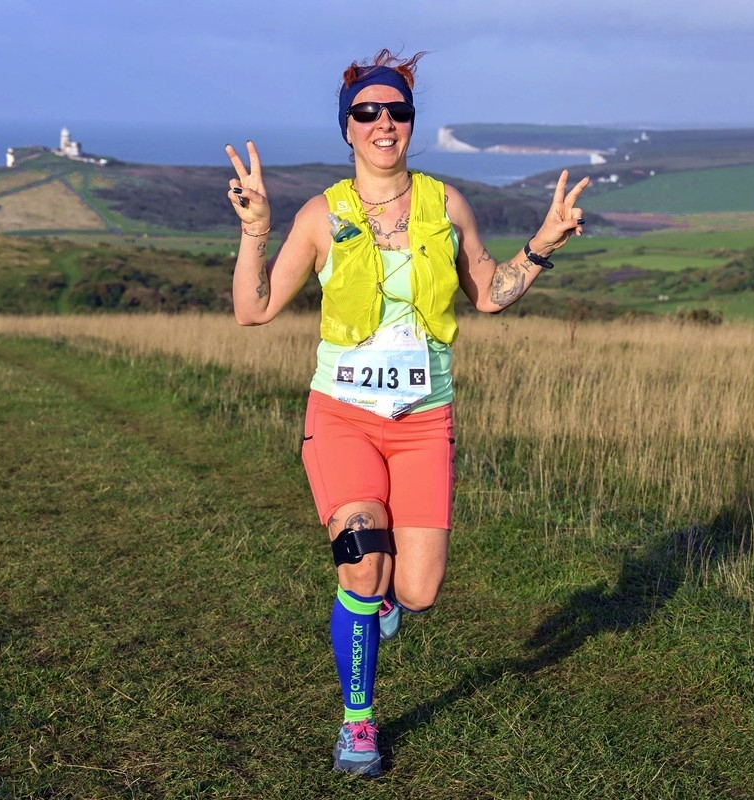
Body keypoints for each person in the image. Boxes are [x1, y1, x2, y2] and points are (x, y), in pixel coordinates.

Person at [224, 49, 588, 777]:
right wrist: (255, 228)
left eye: (397, 111)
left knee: (417, 589)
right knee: (362, 562)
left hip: (425, 420)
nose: (383, 123)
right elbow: (253, 309)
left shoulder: (445, 206)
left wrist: (542, 245)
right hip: (342, 415)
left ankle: (385, 605)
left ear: (411, 123)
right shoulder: (322, 215)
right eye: (367, 112)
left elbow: (487, 293)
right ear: (347, 127)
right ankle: (358, 724)